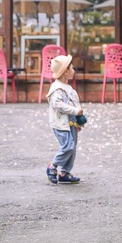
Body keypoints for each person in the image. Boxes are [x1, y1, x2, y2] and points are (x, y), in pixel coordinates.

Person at [46, 54, 84, 185]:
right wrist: (75, 111)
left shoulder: (69, 88)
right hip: (60, 123)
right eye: (72, 68)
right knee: (68, 146)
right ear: (66, 71)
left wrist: (77, 120)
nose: (74, 70)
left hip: (70, 123)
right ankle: (53, 166)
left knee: (72, 148)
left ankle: (64, 172)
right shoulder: (57, 89)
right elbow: (58, 105)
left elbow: (74, 103)